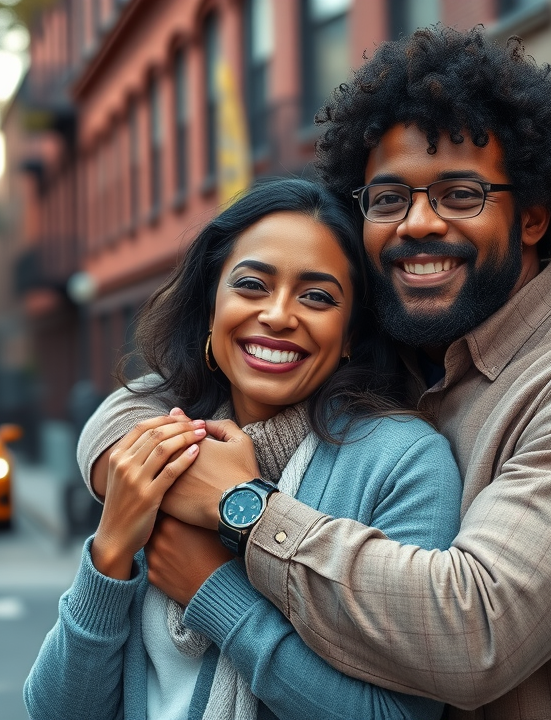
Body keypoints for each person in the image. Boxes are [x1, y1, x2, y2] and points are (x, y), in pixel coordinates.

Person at [78, 26, 551, 720]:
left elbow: (475, 634)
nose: (417, 224)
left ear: (531, 217)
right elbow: (140, 405)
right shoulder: (397, 342)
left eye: (460, 195)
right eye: (387, 199)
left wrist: (244, 508)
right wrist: (140, 464)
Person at [24, 178, 463, 720]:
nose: (279, 315)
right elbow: (57, 711)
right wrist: (110, 553)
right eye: (253, 285)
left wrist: (216, 591)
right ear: (213, 304)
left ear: (350, 333)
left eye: (318, 296)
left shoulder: (404, 463)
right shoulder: (163, 449)